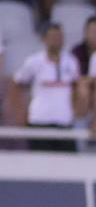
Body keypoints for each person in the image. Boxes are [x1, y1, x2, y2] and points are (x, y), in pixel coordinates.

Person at [9, 21, 79, 151]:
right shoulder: (34, 61)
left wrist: (73, 109)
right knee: (40, 166)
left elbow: (76, 88)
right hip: (39, 120)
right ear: (44, 39)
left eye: (59, 36)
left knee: (68, 167)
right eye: (52, 37)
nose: (56, 40)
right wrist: (20, 111)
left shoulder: (71, 62)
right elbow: (17, 83)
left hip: (64, 121)